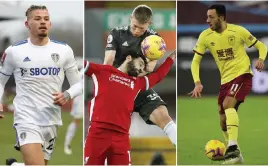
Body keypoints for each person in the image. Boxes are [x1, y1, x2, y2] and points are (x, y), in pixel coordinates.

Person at [0, 5, 82, 165]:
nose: (43, 22)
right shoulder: (14, 51)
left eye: (46, 19)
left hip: (52, 120)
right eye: (37, 18)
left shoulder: (63, 51)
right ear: (27, 24)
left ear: (50, 24)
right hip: (26, 119)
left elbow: (78, 85)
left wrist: (67, 94)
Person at [189, 4, 267, 164]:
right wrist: (197, 82)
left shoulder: (238, 31)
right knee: (223, 120)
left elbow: (261, 46)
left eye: (211, 17)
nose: (207, 20)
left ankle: (231, 146)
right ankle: (236, 155)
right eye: (207, 17)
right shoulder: (205, 36)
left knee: (227, 104)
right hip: (225, 80)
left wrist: (260, 59)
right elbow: (195, 62)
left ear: (222, 17)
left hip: (242, 75)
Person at [84, 49, 176, 165]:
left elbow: (158, 76)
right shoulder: (103, 71)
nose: (140, 70)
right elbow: (78, 64)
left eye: (143, 69)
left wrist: (170, 59)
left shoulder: (137, 83)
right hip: (98, 133)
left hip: (121, 137)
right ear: (129, 58)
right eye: (140, 64)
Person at [104, 4, 176, 146]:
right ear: (131, 18)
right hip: (114, 86)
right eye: (134, 26)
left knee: (163, 115)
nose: (137, 31)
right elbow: (107, 63)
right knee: (110, 132)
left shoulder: (155, 40)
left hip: (137, 86)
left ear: (149, 24)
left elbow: (148, 69)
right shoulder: (117, 33)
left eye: (141, 28)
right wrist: (120, 77)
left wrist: (138, 72)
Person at [64, 68, 84, 155]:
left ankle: (84, 141)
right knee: (76, 121)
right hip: (80, 99)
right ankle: (67, 144)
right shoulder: (82, 71)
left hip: (90, 99)